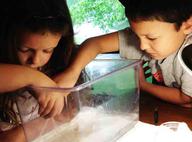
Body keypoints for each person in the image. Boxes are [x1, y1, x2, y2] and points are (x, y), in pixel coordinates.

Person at [62, 0, 192, 108]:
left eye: (151, 38)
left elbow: (186, 98)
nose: (142, 46)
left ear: (187, 26)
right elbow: (95, 44)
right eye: (137, 36)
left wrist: (143, 85)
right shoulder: (149, 37)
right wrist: (72, 72)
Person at [0, 0, 75, 141]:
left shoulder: (60, 64)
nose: (36, 60)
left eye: (48, 50)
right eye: (25, 49)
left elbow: (69, 114)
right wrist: (34, 77)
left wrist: (22, 133)